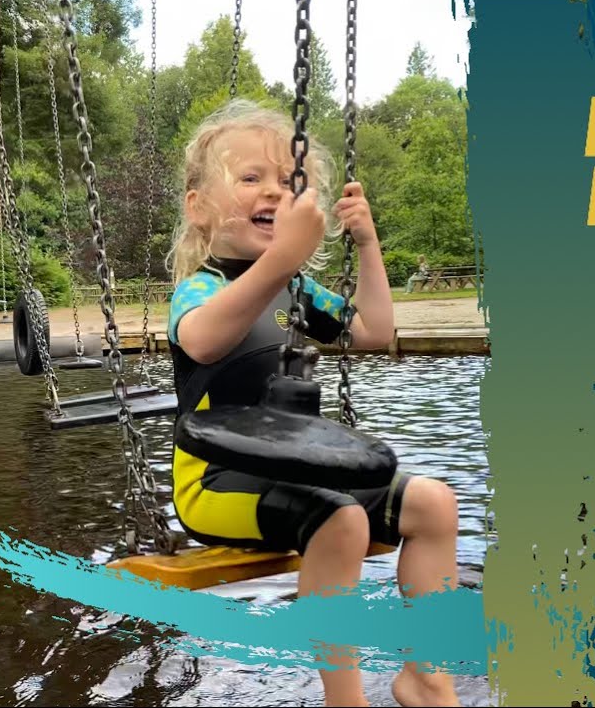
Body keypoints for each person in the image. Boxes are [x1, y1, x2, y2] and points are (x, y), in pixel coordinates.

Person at [164, 99, 461, 708]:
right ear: (199, 208)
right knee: (341, 518)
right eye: (251, 178)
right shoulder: (202, 290)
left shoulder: (298, 292)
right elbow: (204, 338)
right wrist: (282, 259)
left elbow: (374, 332)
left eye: (287, 181)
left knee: (434, 502)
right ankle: (344, 700)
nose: (273, 191)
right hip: (217, 485)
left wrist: (368, 241)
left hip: (301, 477)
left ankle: (424, 677)